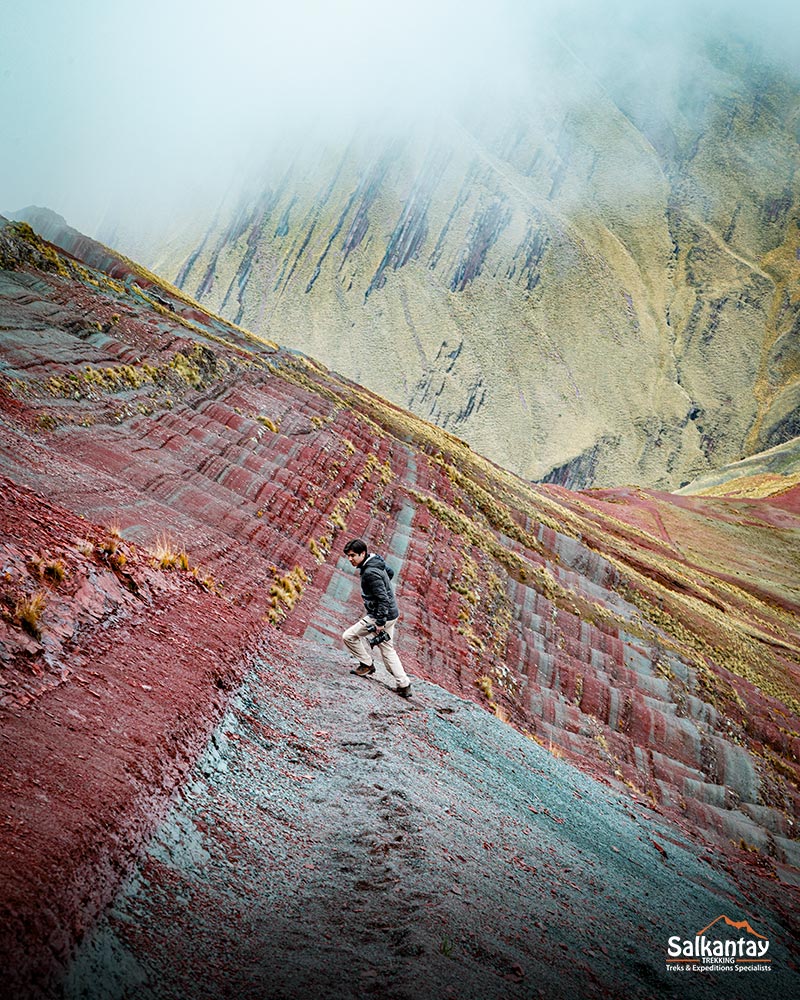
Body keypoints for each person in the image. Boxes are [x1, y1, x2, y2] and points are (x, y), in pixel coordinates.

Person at [342, 538, 412, 698]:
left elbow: (383, 599)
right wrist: (384, 585)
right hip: (392, 613)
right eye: (348, 556)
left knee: (349, 637)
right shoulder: (376, 560)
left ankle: (367, 664)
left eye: (353, 555)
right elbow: (390, 573)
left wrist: (380, 621)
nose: (350, 559)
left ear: (363, 553)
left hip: (380, 615)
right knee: (387, 649)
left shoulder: (370, 572)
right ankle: (404, 684)